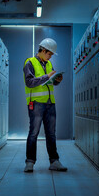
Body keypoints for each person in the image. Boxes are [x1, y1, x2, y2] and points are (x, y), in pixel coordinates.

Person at [23, 38, 68, 172]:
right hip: (36, 103)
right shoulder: (29, 62)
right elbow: (29, 82)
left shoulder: (49, 64)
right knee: (33, 133)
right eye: (49, 54)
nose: (50, 56)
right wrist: (47, 77)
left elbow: (50, 81)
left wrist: (57, 80)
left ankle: (54, 161)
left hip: (50, 103)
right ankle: (30, 162)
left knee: (51, 134)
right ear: (43, 50)